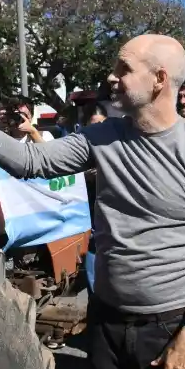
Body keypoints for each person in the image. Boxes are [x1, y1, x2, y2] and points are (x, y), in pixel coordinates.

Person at [0, 35, 185, 369]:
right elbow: (33, 162)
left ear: (159, 79)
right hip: (107, 327)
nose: (112, 77)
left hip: (175, 329)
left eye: (124, 68)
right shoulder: (101, 137)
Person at [81, 102, 108, 295]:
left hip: (113, 225)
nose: (98, 129)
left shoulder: (116, 147)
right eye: (93, 124)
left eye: (102, 124)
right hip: (90, 226)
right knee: (93, 279)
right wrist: (84, 177)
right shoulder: (78, 150)